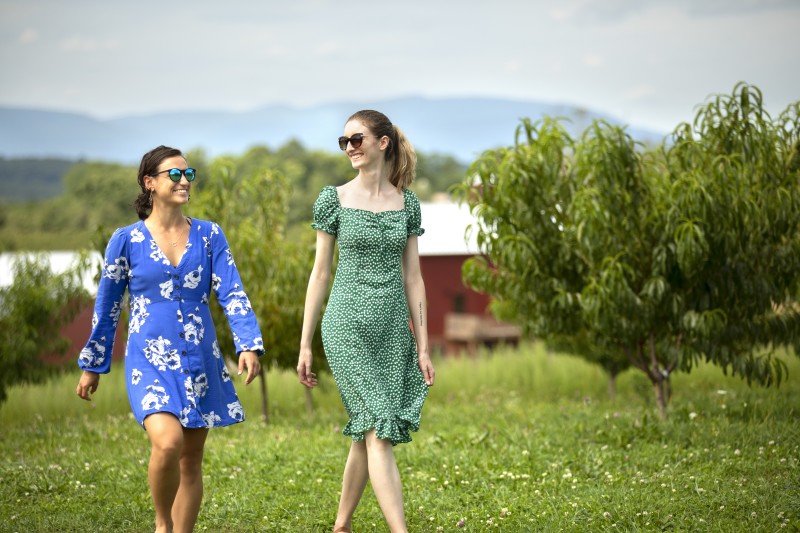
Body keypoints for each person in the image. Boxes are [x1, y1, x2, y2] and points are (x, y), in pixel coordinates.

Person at [76, 145, 264, 533]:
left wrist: (248, 343)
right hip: (149, 359)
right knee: (167, 443)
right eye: (174, 174)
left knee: (191, 460)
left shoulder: (210, 235)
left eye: (188, 174)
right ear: (150, 183)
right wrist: (93, 364)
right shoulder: (125, 241)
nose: (184, 181)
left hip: (200, 358)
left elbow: (231, 292)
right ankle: (163, 525)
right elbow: (108, 305)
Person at [297, 110, 436, 533]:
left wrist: (424, 345)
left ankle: (341, 525)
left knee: (366, 430)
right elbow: (320, 273)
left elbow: (414, 277)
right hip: (346, 328)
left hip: (393, 329)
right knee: (378, 426)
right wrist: (305, 343)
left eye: (356, 139)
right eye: (343, 142)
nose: (349, 148)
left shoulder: (406, 203)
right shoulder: (333, 199)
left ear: (383, 142)